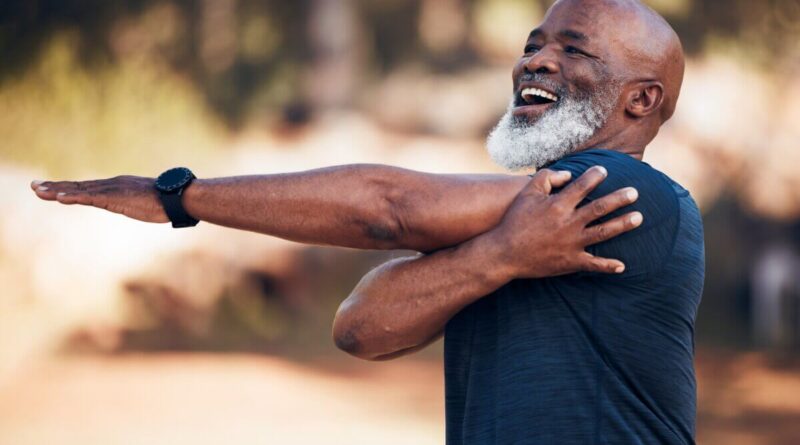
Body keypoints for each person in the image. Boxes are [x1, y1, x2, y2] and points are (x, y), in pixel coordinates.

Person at [30, 0, 704, 443]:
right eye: (533, 44)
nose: (536, 59)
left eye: (574, 50)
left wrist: (178, 197)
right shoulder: (523, 229)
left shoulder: (623, 192)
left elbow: (389, 208)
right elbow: (360, 327)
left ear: (641, 100)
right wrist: (495, 257)